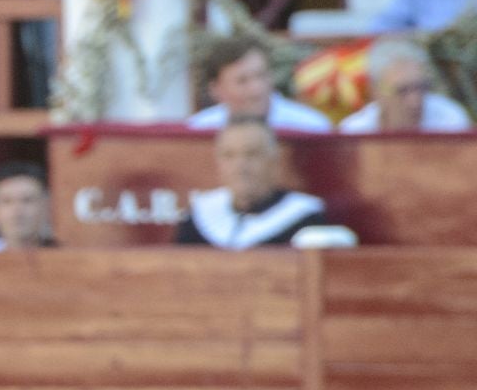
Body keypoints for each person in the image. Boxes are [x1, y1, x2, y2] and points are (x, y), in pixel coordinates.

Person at [174, 118, 327, 250]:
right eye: (229, 155)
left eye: (252, 154)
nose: (240, 166)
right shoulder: (199, 218)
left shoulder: (306, 220)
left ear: (273, 160)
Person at [186, 37, 333, 133]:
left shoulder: (310, 127)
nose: (256, 89)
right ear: (216, 90)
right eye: (242, 81)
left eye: (261, 75)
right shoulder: (198, 131)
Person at [339, 38, 473, 133]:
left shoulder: (449, 121)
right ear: (376, 92)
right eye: (402, 91)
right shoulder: (355, 133)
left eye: (421, 88)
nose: (415, 101)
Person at [0, 160, 55, 250]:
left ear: (47, 206)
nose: (17, 211)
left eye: (27, 200)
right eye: (7, 201)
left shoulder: (68, 257)